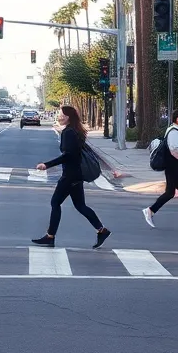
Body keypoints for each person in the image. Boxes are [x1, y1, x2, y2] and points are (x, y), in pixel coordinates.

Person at [32, 105, 110, 249]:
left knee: (55, 203)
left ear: (68, 117)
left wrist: (47, 165)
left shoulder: (68, 132)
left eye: (61, 114)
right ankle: (102, 230)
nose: (59, 117)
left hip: (70, 175)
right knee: (80, 206)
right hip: (76, 174)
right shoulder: (75, 131)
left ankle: (50, 236)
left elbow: (68, 155)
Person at [142, 109, 178, 229]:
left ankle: (151, 210)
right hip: (174, 164)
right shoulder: (173, 132)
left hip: (174, 165)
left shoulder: (174, 130)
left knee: (171, 192)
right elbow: (173, 151)